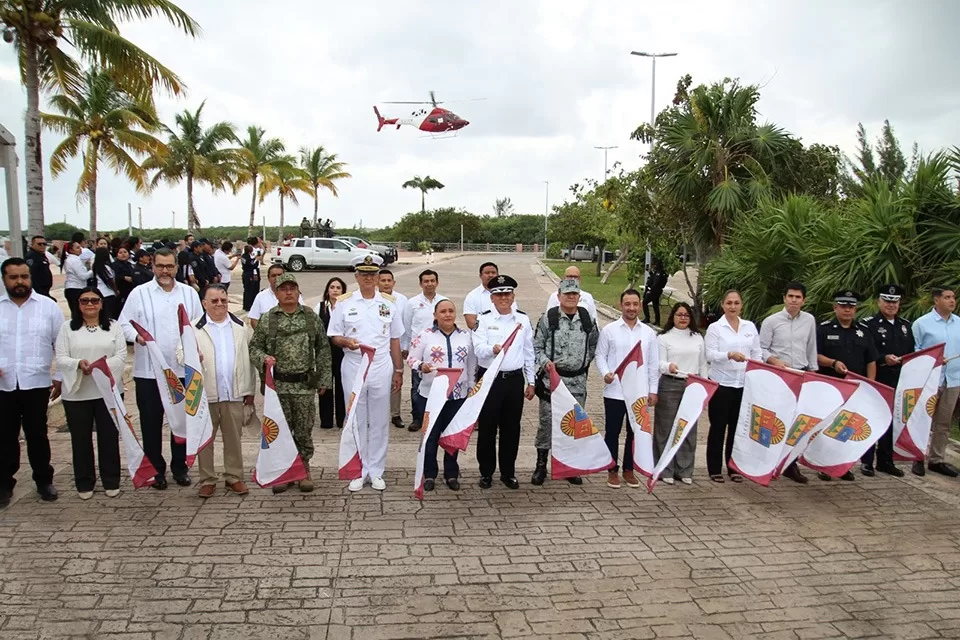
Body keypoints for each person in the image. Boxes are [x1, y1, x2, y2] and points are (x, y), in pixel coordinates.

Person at [119, 247, 202, 489]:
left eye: (169, 266)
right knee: (151, 423)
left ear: (177, 267)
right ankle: (156, 470)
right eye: (160, 266)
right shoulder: (139, 293)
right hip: (148, 372)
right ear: (152, 266)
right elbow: (124, 324)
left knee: (181, 422)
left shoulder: (189, 293)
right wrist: (138, 337)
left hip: (181, 372)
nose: (165, 271)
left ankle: (180, 468)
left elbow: (198, 326)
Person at [328, 254, 404, 492]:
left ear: (378, 277)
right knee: (355, 419)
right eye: (364, 274)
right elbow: (334, 335)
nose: (369, 278)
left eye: (373, 274)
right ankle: (358, 470)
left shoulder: (390, 303)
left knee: (380, 420)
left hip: (381, 364)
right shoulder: (344, 302)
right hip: (354, 364)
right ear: (357, 277)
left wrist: (399, 369)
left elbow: (394, 339)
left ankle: (377, 470)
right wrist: (346, 342)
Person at [250, 273, 332, 493]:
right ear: (276, 293)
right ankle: (283, 473)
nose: (288, 292)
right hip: (278, 387)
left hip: (304, 386)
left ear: (298, 291)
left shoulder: (310, 317)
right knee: (280, 431)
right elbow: (254, 348)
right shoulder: (268, 318)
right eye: (283, 289)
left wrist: (324, 379)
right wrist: (264, 359)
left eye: (292, 288)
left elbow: (323, 348)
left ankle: (303, 470)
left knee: (303, 431)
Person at [0, 257, 65, 507]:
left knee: (37, 434)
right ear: (5, 279)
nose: (20, 282)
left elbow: (61, 344)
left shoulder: (47, 307)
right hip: (4, 385)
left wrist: (59, 376)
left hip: (36, 382)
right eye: (13, 277)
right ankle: (5, 483)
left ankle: (43, 481)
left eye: (24, 277)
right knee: (5, 435)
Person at [54, 287, 125, 499]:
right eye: (85, 301)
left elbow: (120, 356)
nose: (90, 304)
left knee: (109, 438)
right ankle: (84, 482)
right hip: (77, 393)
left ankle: (111, 480)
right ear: (78, 304)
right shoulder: (67, 328)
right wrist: (78, 364)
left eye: (95, 300)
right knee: (81, 439)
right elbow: (61, 358)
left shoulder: (113, 326)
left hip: (107, 391)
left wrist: (98, 367)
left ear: (102, 303)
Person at [185, 285, 255, 498]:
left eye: (223, 300)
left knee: (233, 438)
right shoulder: (193, 328)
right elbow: (180, 354)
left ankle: (234, 477)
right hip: (205, 394)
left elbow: (250, 360)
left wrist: (249, 391)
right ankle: (207, 479)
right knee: (205, 440)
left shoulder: (241, 327)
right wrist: (191, 357)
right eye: (214, 301)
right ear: (204, 304)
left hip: (233, 392)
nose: (220, 304)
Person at [532, 278, 599, 486]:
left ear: (579, 297)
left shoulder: (587, 321)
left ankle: (570, 467)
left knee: (574, 425)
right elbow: (536, 347)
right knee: (547, 424)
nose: (570, 297)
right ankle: (541, 465)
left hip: (577, 382)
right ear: (559, 295)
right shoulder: (548, 319)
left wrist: (582, 364)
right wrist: (545, 363)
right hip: (552, 381)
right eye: (567, 293)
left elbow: (594, 347)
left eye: (574, 294)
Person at [472, 274, 536, 490]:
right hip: (490, 380)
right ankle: (486, 472)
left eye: (507, 294)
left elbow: (529, 352)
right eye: (498, 294)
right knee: (488, 429)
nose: (503, 298)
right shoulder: (484, 319)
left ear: (513, 296)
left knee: (511, 429)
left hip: (514, 381)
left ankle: (508, 472)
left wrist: (531, 381)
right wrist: (493, 349)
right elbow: (478, 349)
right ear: (492, 297)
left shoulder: (523, 320)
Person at [406, 298, 475, 491]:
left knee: (452, 435)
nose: (447, 314)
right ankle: (429, 474)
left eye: (451, 311)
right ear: (435, 315)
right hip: (431, 395)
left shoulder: (465, 336)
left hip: (457, 395)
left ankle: (451, 474)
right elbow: (411, 358)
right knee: (431, 436)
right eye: (443, 311)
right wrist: (421, 366)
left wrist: (470, 387)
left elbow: (471, 364)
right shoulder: (425, 335)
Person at [595, 289, 659, 489]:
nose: (631, 308)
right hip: (615, 391)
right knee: (612, 432)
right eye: (627, 304)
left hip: (638, 394)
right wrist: (606, 373)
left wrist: (653, 390)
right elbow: (600, 356)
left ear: (640, 305)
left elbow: (653, 364)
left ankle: (629, 469)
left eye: (634, 304)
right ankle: (612, 469)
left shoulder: (648, 333)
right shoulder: (610, 330)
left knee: (634, 432)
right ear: (620, 305)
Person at [758, 281, 818, 485]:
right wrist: (774, 360)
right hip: (779, 376)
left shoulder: (809, 320)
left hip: (801, 375)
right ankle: (768, 463)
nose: (794, 300)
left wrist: (813, 373)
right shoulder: (771, 321)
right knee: (775, 422)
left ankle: (790, 465)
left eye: (798, 297)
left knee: (796, 423)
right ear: (784, 298)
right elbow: (761, 349)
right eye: (790, 296)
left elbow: (811, 348)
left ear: (804, 300)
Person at [815, 289, 879, 482]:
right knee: (828, 427)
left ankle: (842, 466)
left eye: (851, 307)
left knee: (847, 428)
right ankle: (823, 465)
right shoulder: (824, 329)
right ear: (835, 307)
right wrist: (832, 363)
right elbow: (815, 356)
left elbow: (871, 360)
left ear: (856, 309)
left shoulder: (864, 331)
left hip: (856, 389)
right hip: (831, 387)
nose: (847, 310)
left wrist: (871, 385)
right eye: (843, 306)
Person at [704, 290, 762, 483]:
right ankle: (714, 468)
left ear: (741, 305)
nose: (732, 306)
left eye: (736, 303)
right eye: (729, 303)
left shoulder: (749, 327)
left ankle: (733, 467)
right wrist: (728, 354)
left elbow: (757, 353)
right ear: (722, 305)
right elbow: (710, 355)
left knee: (737, 429)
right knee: (718, 427)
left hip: (743, 385)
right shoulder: (715, 328)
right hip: (722, 384)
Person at [859, 284, 913, 478]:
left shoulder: (905, 325)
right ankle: (866, 461)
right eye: (887, 301)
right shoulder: (868, 324)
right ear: (879, 302)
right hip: (877, 378)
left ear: (900, 304)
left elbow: (911, 351)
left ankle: (885, 460)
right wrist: (883, 358)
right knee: (872, 419)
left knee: (891, 421)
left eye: (895, 302)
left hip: (899, 380)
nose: (891, 305)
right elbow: (866, 352)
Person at [655, 301, 707, 485]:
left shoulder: (697, 338)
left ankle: (684, 469)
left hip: (692, 386)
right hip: (670, 384)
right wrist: (669, 366)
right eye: (679, 314)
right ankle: (665, 468)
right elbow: (658, 363)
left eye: (686, 315)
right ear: (673, 317)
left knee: (688, 428)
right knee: (666, 429)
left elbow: (702, 364)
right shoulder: (663, 338)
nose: (683, 318)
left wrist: (705, 387)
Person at [911, 286, 960, 478]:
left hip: (953, 379)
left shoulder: (959, 323)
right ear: (936, 300)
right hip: (930, 379)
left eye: (953, 297)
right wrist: (934, 360)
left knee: (943, 421)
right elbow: (915, 351)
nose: (952, 301)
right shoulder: (922, 324)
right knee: (923, 419)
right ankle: (917, 458)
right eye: (947, 297)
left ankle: (936, 459)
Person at [403, 269, 448, 431]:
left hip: (439, 350)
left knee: (438, 383)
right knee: (417, 384)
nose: (429, 284)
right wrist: (407, 347)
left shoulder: (444, 301)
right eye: (426, 281)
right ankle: (418, 417)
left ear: (437, 282)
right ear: (420, 284)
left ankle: (437, 415)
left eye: (432, 281)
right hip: (419, 350)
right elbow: (407, 327)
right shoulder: (412, 303)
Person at [314, 277, 348, 429]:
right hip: (324, 353)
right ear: (327, 290)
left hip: (342, 352)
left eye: (338, 288)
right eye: (332, 287)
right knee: (325, 387)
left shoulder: (347, 307)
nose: (335, 290)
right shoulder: (320, 307)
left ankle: (342, 419)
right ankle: (326, 421)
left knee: (342, 386)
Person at [378, 268, 409, 429]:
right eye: (382, 280)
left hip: (396, 347)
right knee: (377, 381)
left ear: (394, 282)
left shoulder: (402, 300)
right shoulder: (373, 300)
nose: (386, 283)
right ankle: (378, 413)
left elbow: (405, 325)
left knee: (396, 380)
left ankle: (395, 414)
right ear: (377, 282)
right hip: (379, 347)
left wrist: (405, 346)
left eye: (389, 280)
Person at [248, 264, 303, 330]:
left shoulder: (293, 295)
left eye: (280, 275)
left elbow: (304, 315)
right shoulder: (261, 296)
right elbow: (254, 319)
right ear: (269, 278)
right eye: (273, 276)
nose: (277, 278)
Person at [464, 262, 516, 330]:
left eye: (493, 272)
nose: (490, 275)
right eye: (487, 273)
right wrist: (491, 331)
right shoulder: (472, 296)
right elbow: (471, 323)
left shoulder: (507, 296)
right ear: (480, 276)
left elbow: (514, 316)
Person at [62, 241, 92, 322]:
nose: (80, 249)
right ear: (71, 250)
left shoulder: (73, 259)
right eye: (77, 248)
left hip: (74, 288)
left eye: (80, 247)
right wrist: (92, 270)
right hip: (75, 289)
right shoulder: (73, 260)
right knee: (77, 315)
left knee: (77, 315)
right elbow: (83, 276)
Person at [92, 247, 119, 320]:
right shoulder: (106, 267)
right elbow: (110, 280)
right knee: (109, 314)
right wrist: (116, 290)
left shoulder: (96, 266)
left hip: (100, 292)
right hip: (108, 293)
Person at [642, 260, 668, 325]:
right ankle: (657, 321)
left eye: (654, 265)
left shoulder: (658, 273)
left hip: (654, 290)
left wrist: (650, 291)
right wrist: (650, 272)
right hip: (658, 290)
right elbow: (653, 278)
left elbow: (655, 283)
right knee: (655, 305)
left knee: (644, 303)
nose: (653, 266)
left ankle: (647, 318)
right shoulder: (660, 272)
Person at [113, 246, 135, 313]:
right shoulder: (115, 265)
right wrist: (124, 277)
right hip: (120, 291)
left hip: (130, 290)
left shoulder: (130, 264)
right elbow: (114, 277)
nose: (123, 254)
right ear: (117, 255)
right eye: (120, 253)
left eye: (125, 252)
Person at [240, 244, 261, 312]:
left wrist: (254, 258)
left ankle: (245, 305)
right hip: (249, 274)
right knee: (250, 290)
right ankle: (249, 306)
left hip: (245, 274)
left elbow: (249, 261)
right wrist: (257, 260)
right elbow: (253, 265)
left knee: (246, 290)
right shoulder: (248, 258)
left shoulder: (243, 256)